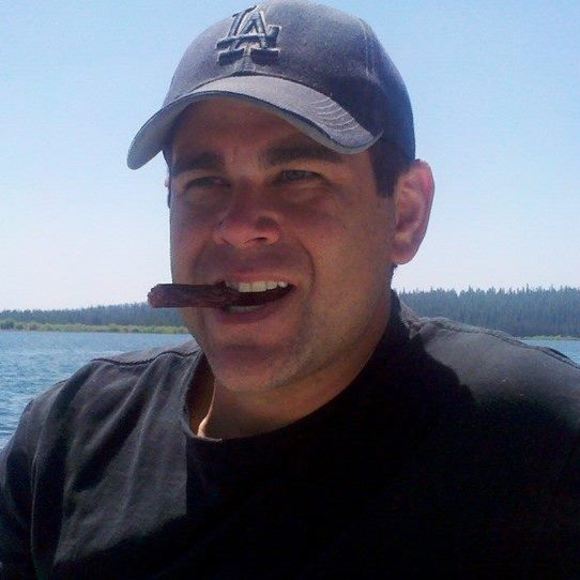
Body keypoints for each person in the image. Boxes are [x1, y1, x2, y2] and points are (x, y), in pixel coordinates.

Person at [1, 1, 579, 577]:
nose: (237, 226)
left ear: (404, 214)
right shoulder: (65, 441)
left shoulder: (539, 448)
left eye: (297, 176)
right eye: (205, 181)